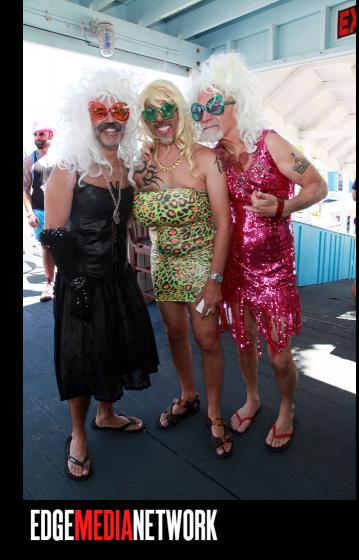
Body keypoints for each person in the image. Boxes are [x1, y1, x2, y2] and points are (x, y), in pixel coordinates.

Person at [191, 52, 328, 451]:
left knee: (280, 355)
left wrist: (284, 206)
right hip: (233, 269)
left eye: (214, 105)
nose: (205, 115)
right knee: (244, 341)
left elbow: (318, 185)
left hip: (275, 272)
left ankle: (287, 407)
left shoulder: (270, 143)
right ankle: (252, 397)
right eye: (199, 109)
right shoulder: (215, 158)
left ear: (240, 102)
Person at [40, 69, 159, 480]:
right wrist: (74, 284)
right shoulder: (68, 169)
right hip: (81, 280)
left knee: (113, 350)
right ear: (84, 116)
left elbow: (128, 217)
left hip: (118, 279)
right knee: (80, 359)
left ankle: (106, 415)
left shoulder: (126, 168)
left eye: (119, 111)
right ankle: (78, 435)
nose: (110, 120)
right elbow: (53, 234)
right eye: (99, 111)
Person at [132, 79, 233, 459]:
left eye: (167, 109)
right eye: (151, 112)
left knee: (207, 340)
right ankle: (188, 395)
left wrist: (215, 280)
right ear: (144, 118)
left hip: (202, 264)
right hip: (162, 264)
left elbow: (224, 223)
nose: (160, 119)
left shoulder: (206, 159)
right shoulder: (141, 165)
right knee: (175, 334)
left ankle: (214, 413)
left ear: (179, 112)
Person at [23, 122, 57, 301]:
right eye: (35, 135)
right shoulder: (30, 160)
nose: (37, 138)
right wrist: (30, 213)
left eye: (41, 134)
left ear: (50, 135)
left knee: (67, 245)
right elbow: (25, 189)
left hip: (61, 209)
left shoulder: (62, 157)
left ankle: (68, 281)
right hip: (40, 210)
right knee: (47, 246)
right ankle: (49, 284)